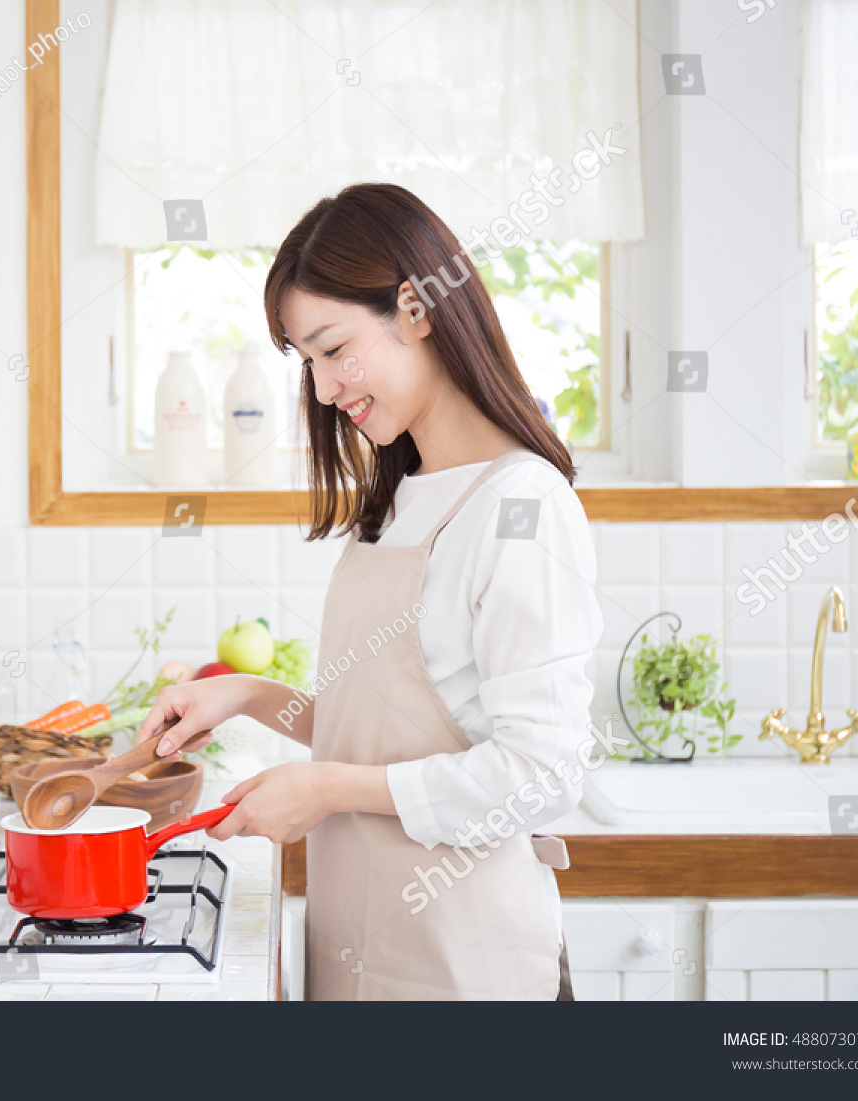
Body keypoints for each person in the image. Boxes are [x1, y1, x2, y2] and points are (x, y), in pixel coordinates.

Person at [136, 183, 601, 1000]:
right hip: (360, 954)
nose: (321, 390)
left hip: (470, 970)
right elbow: (388, 734)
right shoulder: (398, 499)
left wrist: (323, 789)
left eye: (331, 347)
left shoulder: (521, 505)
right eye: (305, 359)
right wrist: (246, 695)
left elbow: (543, 772)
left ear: (417, 307)